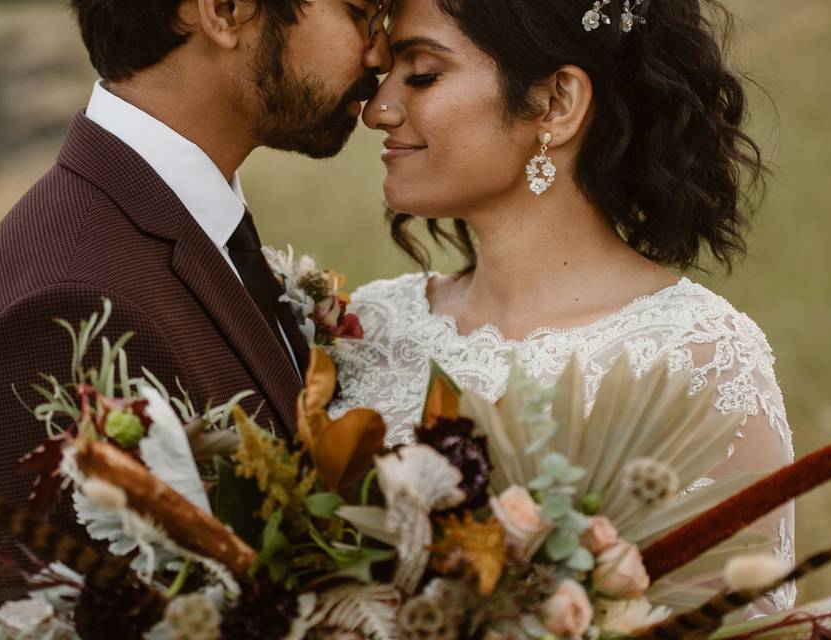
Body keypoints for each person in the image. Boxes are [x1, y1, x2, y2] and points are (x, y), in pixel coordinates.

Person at [327, 0, 795, 614]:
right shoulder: (365, 323)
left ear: (555, 104)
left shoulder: (699, 360)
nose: (378, 110)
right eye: (384, 77)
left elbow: (743, 623)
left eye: (420, 75)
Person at [0, 0, 391, 594]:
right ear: (224, 12)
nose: (378, 53)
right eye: (358, 12)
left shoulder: (171, 224)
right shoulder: (66, 313)